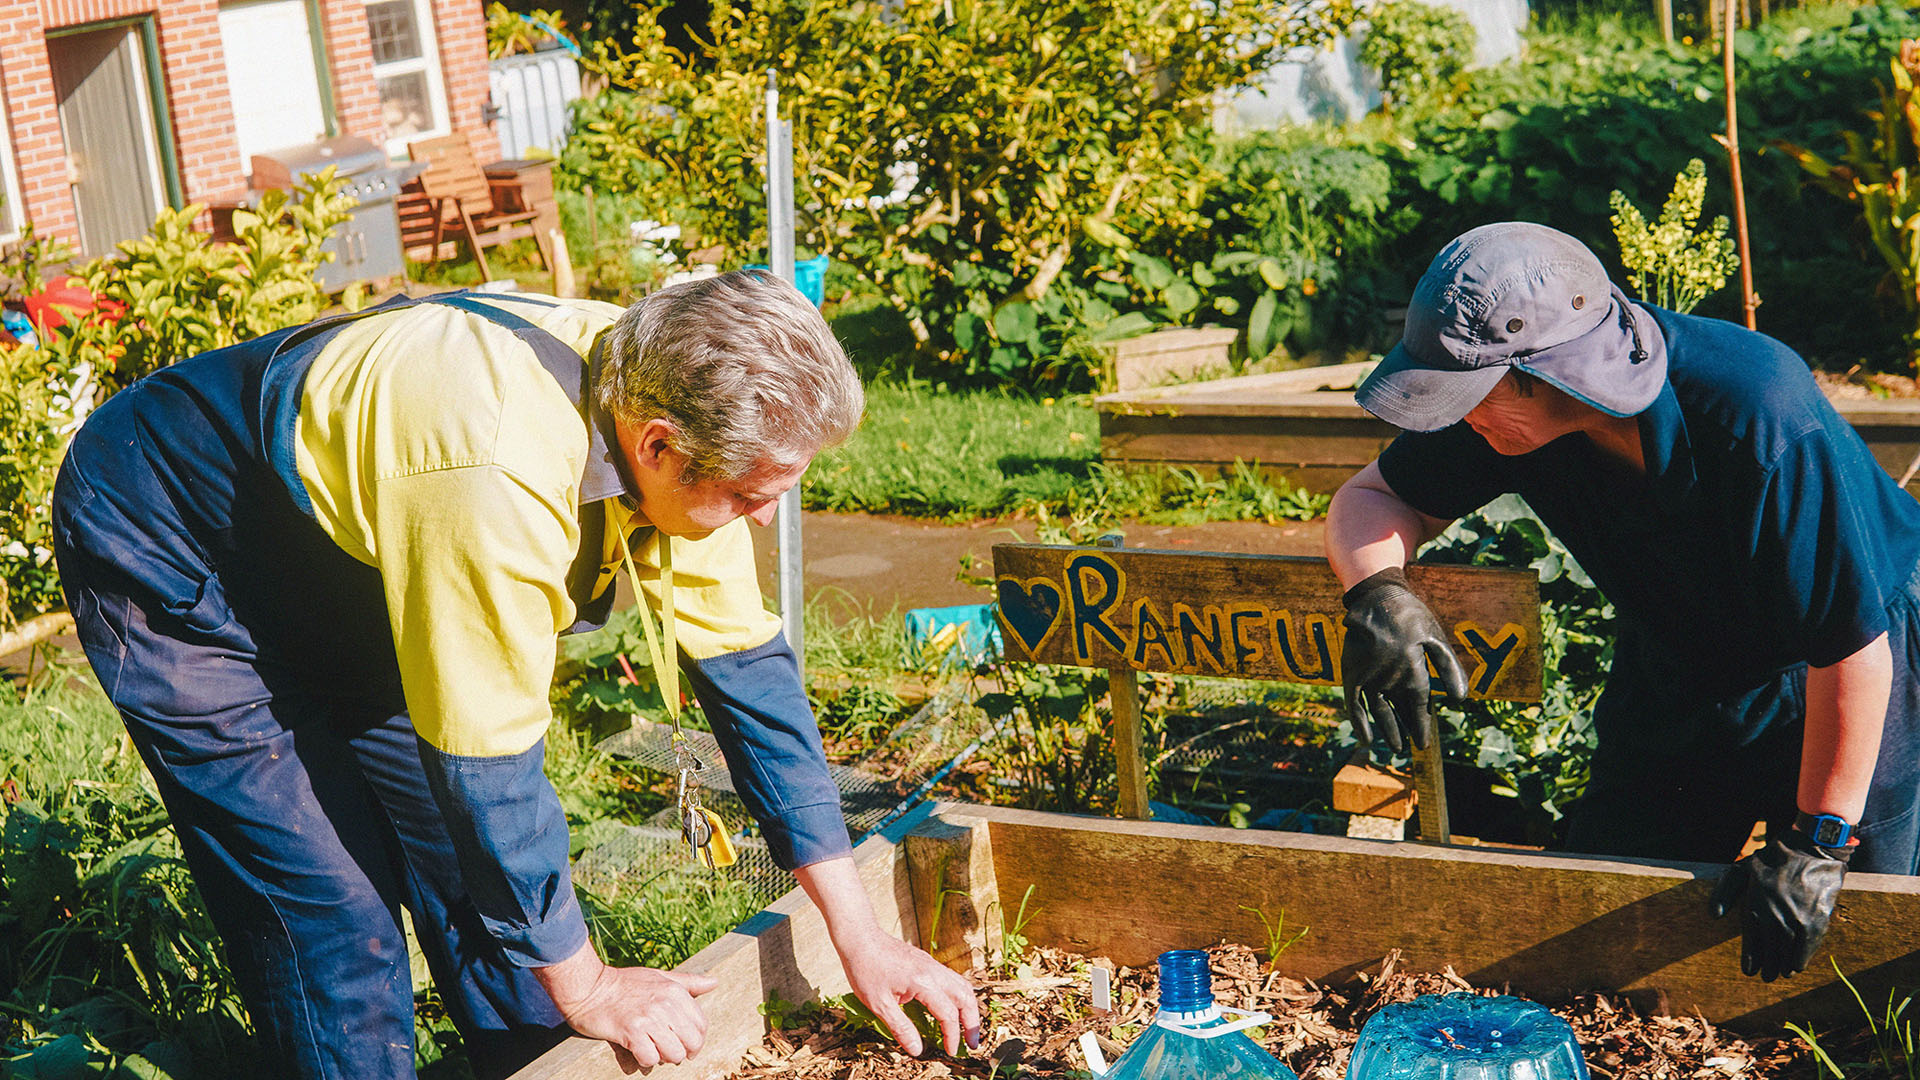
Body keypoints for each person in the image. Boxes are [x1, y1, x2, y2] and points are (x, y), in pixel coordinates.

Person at [50, 273, 981, 1078]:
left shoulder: (680, 400)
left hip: (349, 558)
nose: (763, 519)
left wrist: (861, 938)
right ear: (656, 446)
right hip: (175, 542)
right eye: (748, 495)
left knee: (465, 870)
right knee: (336, 920)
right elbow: (487, 761)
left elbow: (756, 695)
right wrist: (588, 986)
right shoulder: (494, 465)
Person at [1326, 222, 1920, 983]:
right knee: (1598, 915)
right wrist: (1378, 593)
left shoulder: (1759, 409)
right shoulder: (1501, 413)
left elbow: (1851, 646)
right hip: (1677, 657)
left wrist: (1820, 841)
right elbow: (1373, 495)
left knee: (1848, 946)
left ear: (1560, 372)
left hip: (1851, 670)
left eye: (1469, 398)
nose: (1458, 418)